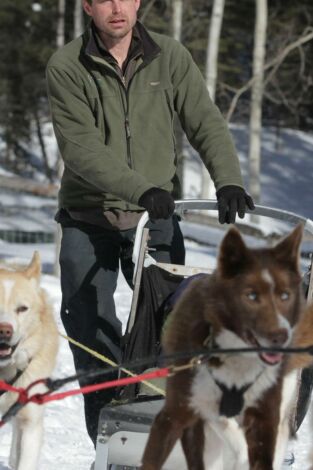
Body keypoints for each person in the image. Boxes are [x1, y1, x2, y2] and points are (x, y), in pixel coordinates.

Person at [46, 0, 254, 447]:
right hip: (89, 218)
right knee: (91, 330)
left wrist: (228, 180)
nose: (116, 8)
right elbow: (80, 149)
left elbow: (205, 120)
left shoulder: (170, 56)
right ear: (87, 5)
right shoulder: (66, 65)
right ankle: (108, 440)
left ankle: (162, 437)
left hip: (154, 217)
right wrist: (139, 188)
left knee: (168, 328)